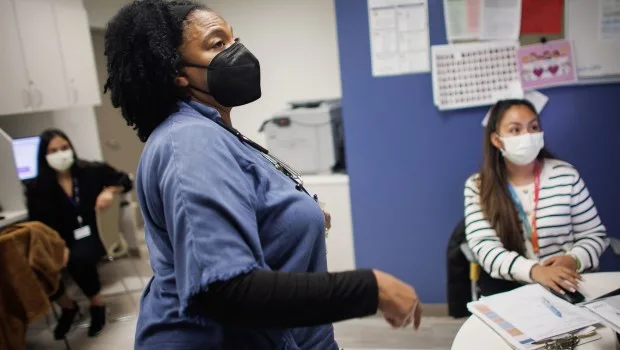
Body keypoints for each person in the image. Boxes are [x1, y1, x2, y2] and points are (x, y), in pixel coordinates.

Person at [104, 1, 422, 349]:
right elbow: (225, 290)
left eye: (234, 38)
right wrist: (370, 289)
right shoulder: (189, 141)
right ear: (176, 72)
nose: (238, 51)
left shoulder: (215, 131)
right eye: (217, 44)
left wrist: (292, 215)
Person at [464, 99, 610, 297]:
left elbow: (594, 235)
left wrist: (573, 259)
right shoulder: (478, 186)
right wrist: (535, 271)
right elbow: (485, 248)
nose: (528, 136)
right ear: (497, 140)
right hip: (512, 289)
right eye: (515, 130)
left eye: (534, 127)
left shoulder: (566, 175)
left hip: (569, 283)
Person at [25, 129, 132, 338]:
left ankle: (97, 304)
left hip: (95, 234)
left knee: (79, 258)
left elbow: (125, 179)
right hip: (60, 239)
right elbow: (37, 223)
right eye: (53, 150)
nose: (61, 153)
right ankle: (68, 306)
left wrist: (110, 191)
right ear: (44, 155)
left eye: (64, 148)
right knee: (36, 265)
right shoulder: (36, 187)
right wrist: (58, 246)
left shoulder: (91, 171)